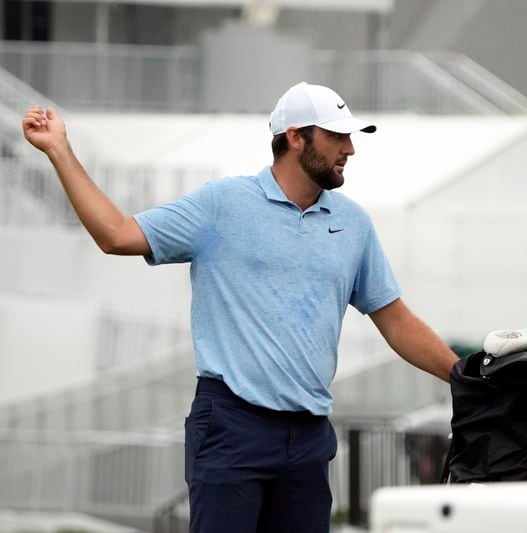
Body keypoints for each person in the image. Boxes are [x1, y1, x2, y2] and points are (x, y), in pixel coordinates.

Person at [22, 81, 459, 532]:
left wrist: (463, 376)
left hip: (309, 435)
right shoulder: (221, 205)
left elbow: (395, 319)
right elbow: (116, 234)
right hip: (232, 424)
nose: (349, 149)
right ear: (295, 137)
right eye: (336, 136)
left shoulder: (353, 223)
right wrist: (58, 149)